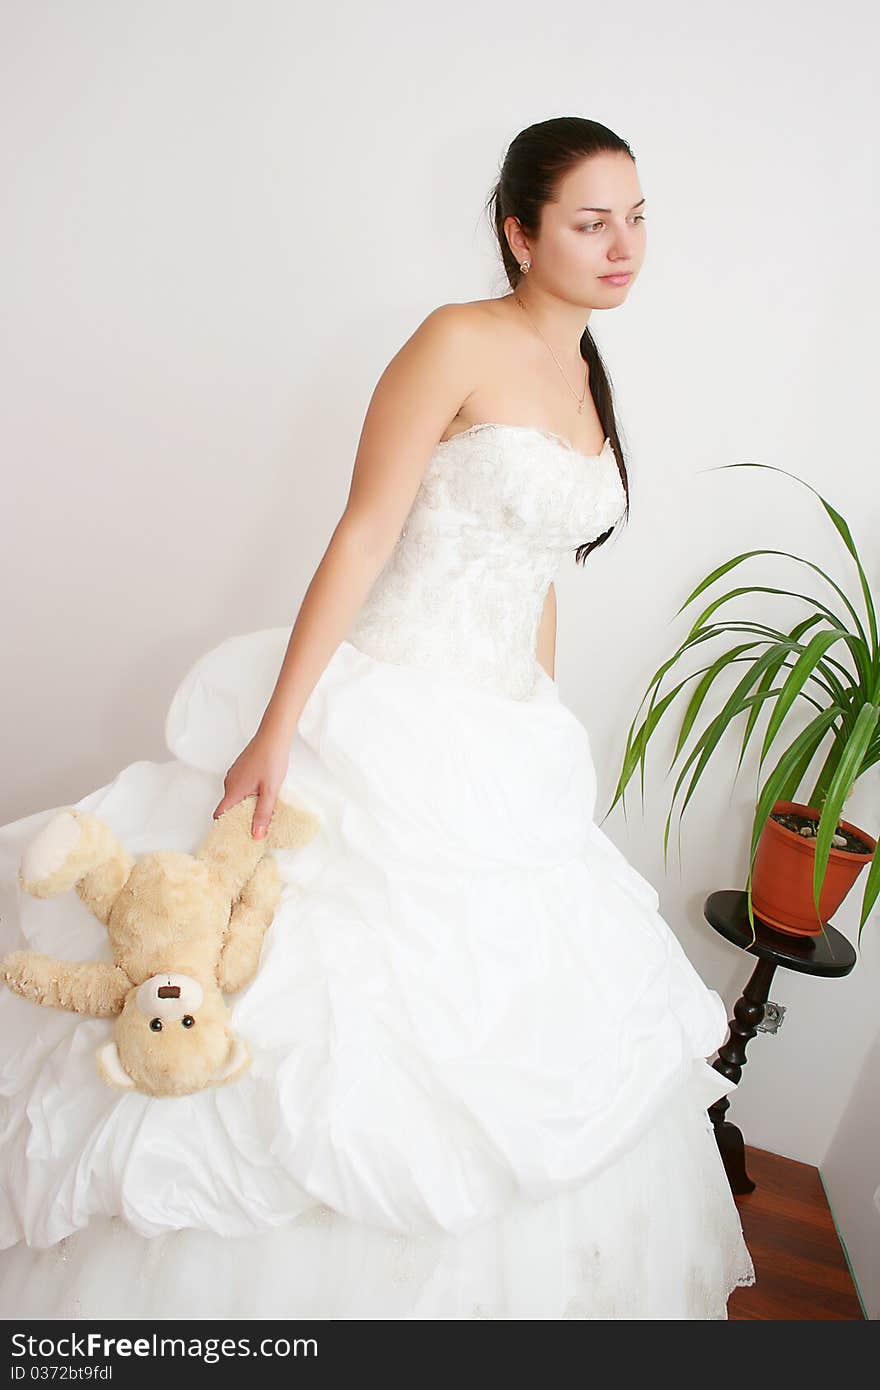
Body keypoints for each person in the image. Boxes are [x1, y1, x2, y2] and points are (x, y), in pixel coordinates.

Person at [0, 116, 756, 1319]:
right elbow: (363, 533)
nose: (625, 245)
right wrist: (278, 727)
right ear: (519, 232)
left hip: (499, 728)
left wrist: (542, 719)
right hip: (390, 705)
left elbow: (537, 564)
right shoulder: (455, 339)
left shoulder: (585, 369)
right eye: (590, 220)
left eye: (637, 215)